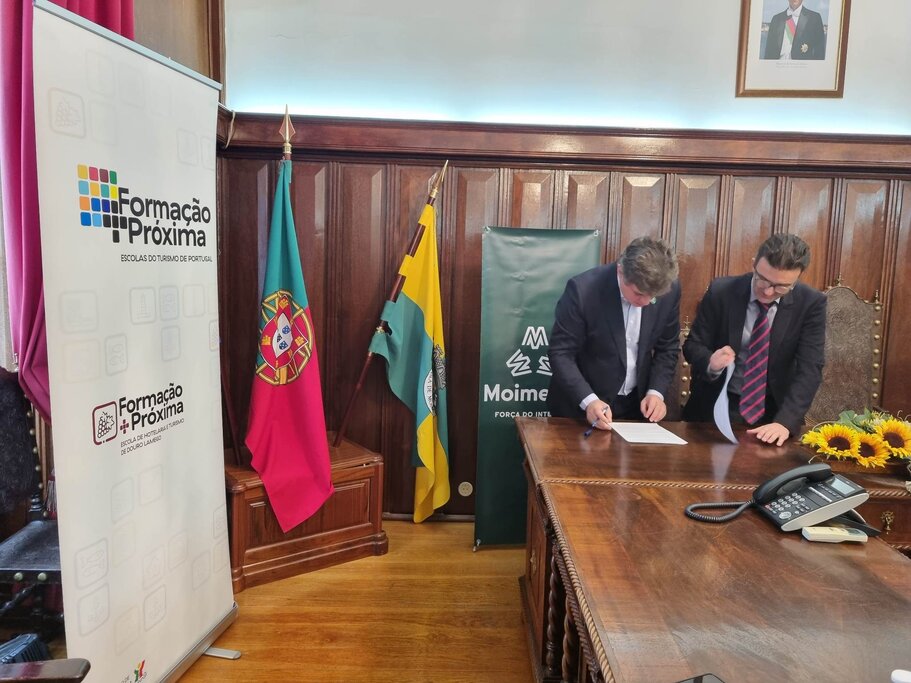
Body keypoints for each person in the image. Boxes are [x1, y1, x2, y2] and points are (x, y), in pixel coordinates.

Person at [682, 234, 826, 446]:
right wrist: (711, 362)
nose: (768, 291)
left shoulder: (811, 303)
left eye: (781, 287)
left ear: (797, 279)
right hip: (715, 409)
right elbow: (693, 345)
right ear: (754, 264)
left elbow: (810, 368)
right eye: (763, 280)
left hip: (774, 413)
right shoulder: (722, 292)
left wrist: (785, 422)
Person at [546, 237, 680, 431]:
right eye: (638, 293)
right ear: (620, 271)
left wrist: (656, 392)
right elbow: (561, 353)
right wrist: (589, 401)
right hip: (581, 407)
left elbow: (667, 347)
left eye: (653, 297)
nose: (646, 302)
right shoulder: (583, 290)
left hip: (636, 407)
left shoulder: (670, 290)